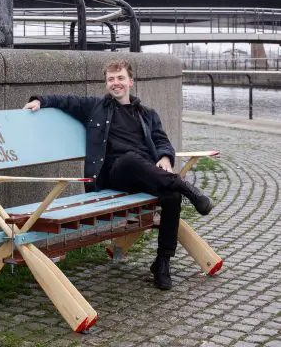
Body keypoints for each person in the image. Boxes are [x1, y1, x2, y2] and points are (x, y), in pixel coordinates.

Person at [23, 60, 212, 291]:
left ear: (130, 82)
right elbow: (67, 100)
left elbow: (162, 140)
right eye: (111, 79)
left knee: (171, 197)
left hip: (145, 175)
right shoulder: (96, 107)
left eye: (120, 78)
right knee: (131, 160)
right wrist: (40, 100)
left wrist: (165, 157)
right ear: (106, 83)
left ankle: (162, 262)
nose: (116, 83)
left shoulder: (147, 114)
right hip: (114, 176)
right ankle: (188, 189)